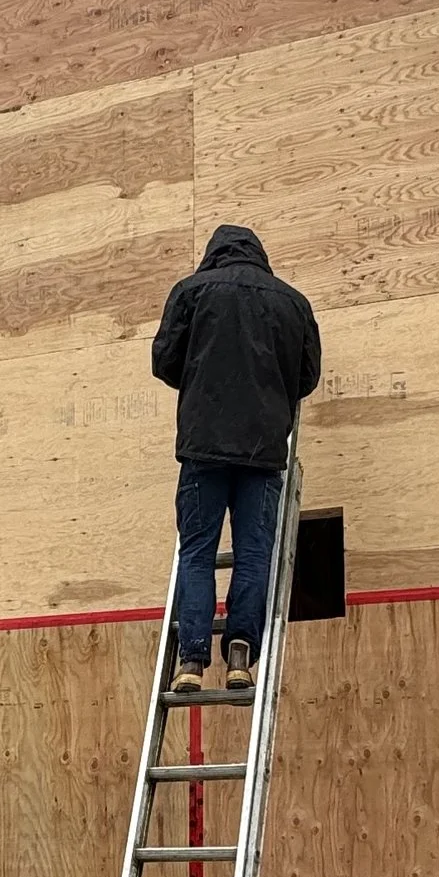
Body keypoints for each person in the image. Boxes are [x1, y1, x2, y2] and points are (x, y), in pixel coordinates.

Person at [149, 224, 322, 694]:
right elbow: (307, 377)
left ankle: (190, 660)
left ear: (214, 254)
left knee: (198, 553)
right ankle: (241, 650)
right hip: (264, 453)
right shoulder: (293, 303)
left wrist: (205, 380)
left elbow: (164, 361)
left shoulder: (191, 291)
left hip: (203, 448)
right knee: (253, 554)